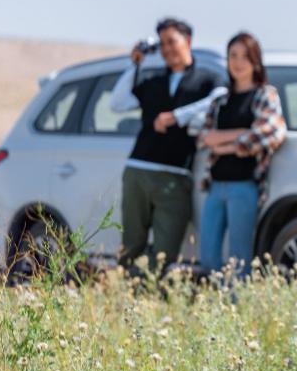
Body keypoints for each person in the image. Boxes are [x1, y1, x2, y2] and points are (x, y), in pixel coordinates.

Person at [110, 17, 223, 274]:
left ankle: (142, 288)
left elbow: (218, 100)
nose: (167, 49)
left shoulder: (207, 79)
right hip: (138, 169)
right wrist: (135, 65)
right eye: (162, 44)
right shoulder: (152, 80)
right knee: (131, 244)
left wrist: (176, 116)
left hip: (175, 175)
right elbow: (117, 103)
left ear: (188, 41)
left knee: (165, 251)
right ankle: (126, 294)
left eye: (172, 41)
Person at [194, 32, 286, 278]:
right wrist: (240, 136)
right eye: (233, 56)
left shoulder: (265, 95)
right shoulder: (221, 100)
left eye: (245, 56)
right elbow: (205, 137)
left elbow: (270, 132)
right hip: (215, 185)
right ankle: (214, 304)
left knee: (239, 257)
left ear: (256, 61)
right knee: (209, 255)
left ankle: (237, 305)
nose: (238, 62)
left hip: (244, 186)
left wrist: (226, 143)